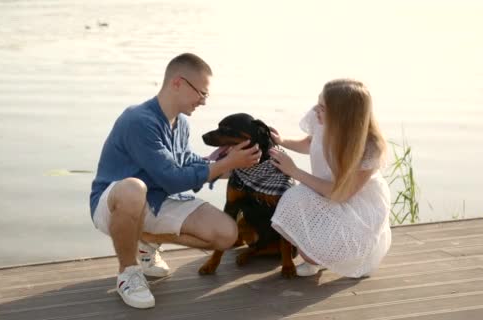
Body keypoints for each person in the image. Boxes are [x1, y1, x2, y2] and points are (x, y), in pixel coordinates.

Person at [89, 53, 261, 309]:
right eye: (201, 93)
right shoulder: (139, 120)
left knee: (226, 234)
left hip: (158, 200)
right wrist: (224, 164)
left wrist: (235, 164)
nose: (203, 101)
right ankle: (129, 273)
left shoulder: (181, 123)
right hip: (115, 204)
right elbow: (170, 177)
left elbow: (187, 162)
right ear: (178, 83)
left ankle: (144, 242)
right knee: (133, 188)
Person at [268, 79, 391, 279]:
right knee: (295, 197)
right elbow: (310, 143)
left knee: (302, 197)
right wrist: (282, 142)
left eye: (323, 107)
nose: (316, 109)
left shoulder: (370, 146)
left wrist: (294, 171)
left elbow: (341, 194)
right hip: (323, 189)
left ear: (343, 114)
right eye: (318, 102)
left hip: (355, 203)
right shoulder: (321, 119)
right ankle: (316, 259)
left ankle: (347, 257)